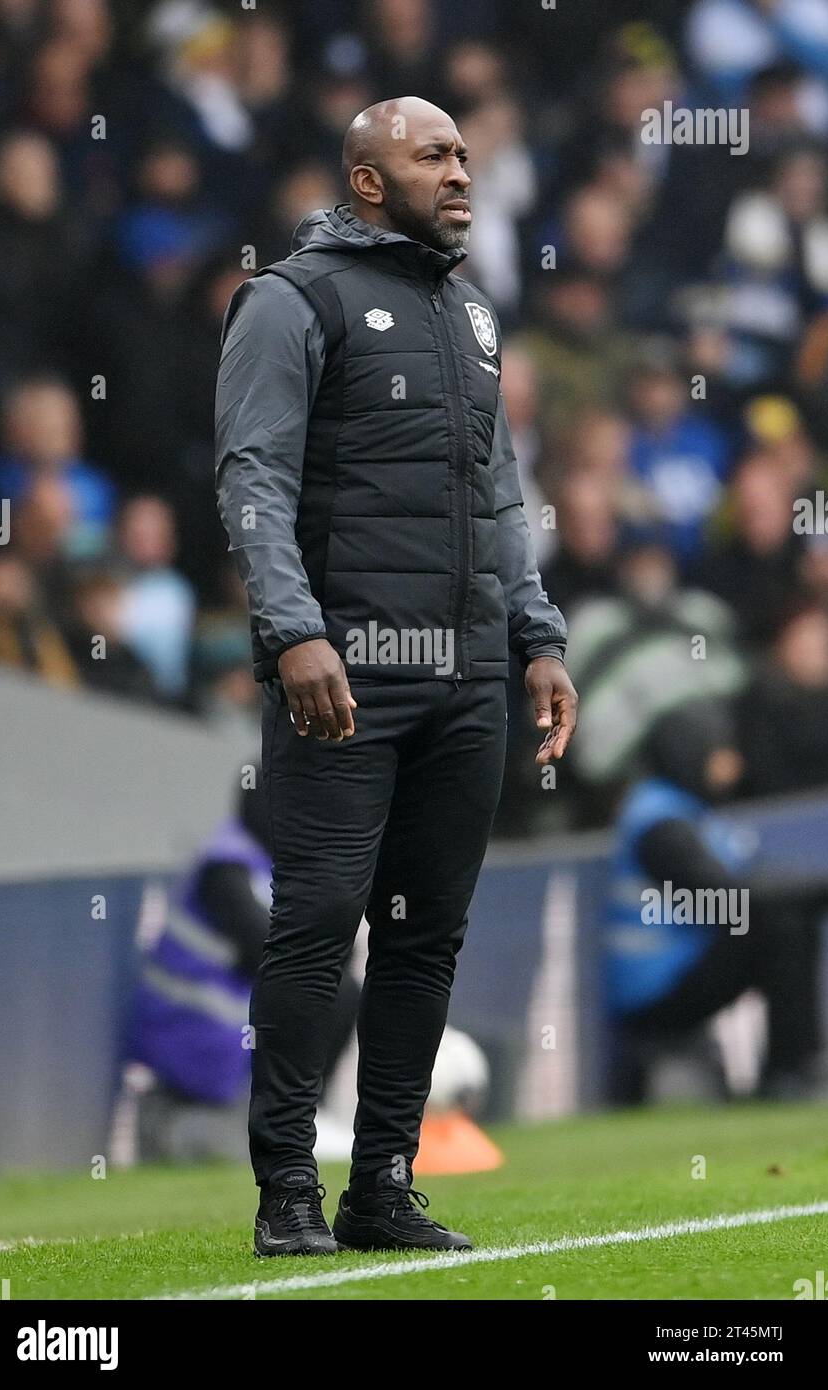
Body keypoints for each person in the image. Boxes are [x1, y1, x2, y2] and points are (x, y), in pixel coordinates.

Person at [215, 96, 576, 1256]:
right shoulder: (289, 298)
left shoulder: (470, 312)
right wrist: (292, 633)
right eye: (434, 156)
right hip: (344, 676)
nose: (461, 171)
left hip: (467, 677)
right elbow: (251, 475)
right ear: (368, 181)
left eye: (466, 153)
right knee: (315, 925)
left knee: (424, 937)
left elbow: (497, 495)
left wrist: (537, 636)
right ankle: (284, 1189)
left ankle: (382, 1182)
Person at [603, 700, 828, 1105]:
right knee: (782, 928)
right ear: (691, 750)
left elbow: (753, 881)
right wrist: (817, 891)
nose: (732, 764)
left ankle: (794, 1068)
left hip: (686, 973)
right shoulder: (659, 822)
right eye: (721, 751)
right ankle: (790, 1074)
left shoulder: (690, 811)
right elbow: (724, 899)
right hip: (656, 995)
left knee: (787, 918)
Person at [129, 778, 360, 1163]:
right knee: (323, 988)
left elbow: (331, 947)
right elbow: (274, 951)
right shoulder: (226, 867)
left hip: (229, 1039)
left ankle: (305, 1116)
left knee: (338, 988)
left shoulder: (271, 862)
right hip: (190, 1039)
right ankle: (295, 1122)